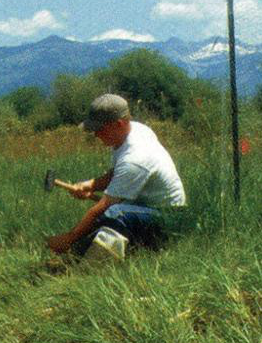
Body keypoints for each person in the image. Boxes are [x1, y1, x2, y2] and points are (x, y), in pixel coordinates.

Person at [46, 93, 186, 256]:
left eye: (99, 129)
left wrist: (69, 237)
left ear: (118, 124)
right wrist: (91, 185)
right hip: (143, 208)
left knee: (114, 213)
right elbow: (116, 174)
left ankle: (87, 268)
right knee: (110, 215)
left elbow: (105, 206)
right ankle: (77, 255)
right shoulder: (135, 131)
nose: (96, 134)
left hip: (168, 218)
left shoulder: (135, 158)